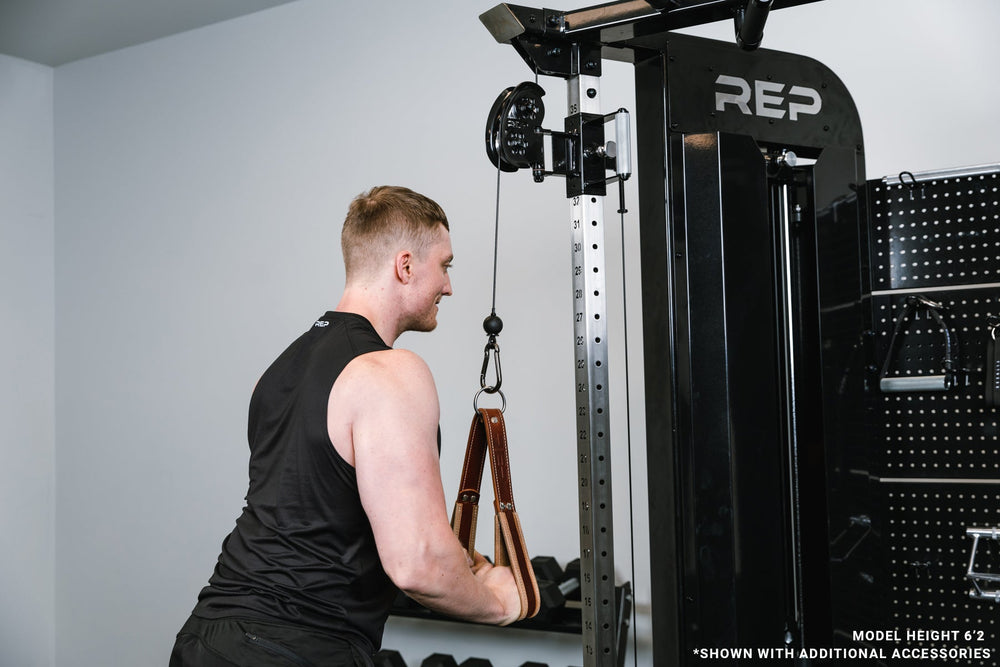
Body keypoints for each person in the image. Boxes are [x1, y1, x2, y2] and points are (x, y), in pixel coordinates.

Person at [171, 186, 522, 667]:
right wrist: (499, 603)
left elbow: (320, 513)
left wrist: (456, 562)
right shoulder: (390, 372)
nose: (449, 286)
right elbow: (416, 565)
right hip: (298, 647)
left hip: (206, 637)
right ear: (405, 266)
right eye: (445, 266)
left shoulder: (277, 372)